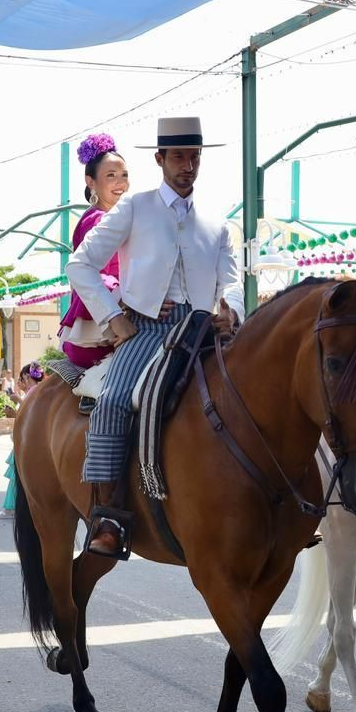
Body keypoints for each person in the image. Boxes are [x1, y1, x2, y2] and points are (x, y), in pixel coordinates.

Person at [64, 115, 244, 557]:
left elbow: (234, 280)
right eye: (179, 156)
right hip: (148, 330)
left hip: (203, 330)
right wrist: (113, 317)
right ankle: (108, 517)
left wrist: (233, 311)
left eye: (194, 157)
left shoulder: (217, 223)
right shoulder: (134, 207)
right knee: (114, 400)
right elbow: (80, 265)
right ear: (161, 159)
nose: (187, 165)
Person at [60, 133, 131, 369]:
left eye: (124, 175)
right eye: (111, 176)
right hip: (103, 328)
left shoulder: (107, 217)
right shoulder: (100, 220)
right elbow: (96, 277)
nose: (120, 183)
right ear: (91, 181)